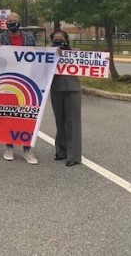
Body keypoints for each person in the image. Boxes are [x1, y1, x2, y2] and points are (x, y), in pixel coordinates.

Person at [0, 12, 38, 165]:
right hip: (8, 81)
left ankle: (27, 149)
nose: (13, 23)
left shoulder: (30, 37)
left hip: (27, 80)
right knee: (9, 114)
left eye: (15, 21)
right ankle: (9, 147)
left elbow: (38, 57)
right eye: (10, 21)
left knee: (27, 114)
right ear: (6, 23)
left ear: (20, 22)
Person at [50, 30, 82, 167]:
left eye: (61, 39)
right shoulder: (48, 53)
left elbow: (88, 63)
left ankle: (73, 155)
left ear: (66, 39)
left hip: (73, 88)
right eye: (55, 39)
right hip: (56, 88)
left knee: (73, 122)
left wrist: (74, 53)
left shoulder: (74, 52)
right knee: (60, 121)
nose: (58, 41)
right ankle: (61, 151)